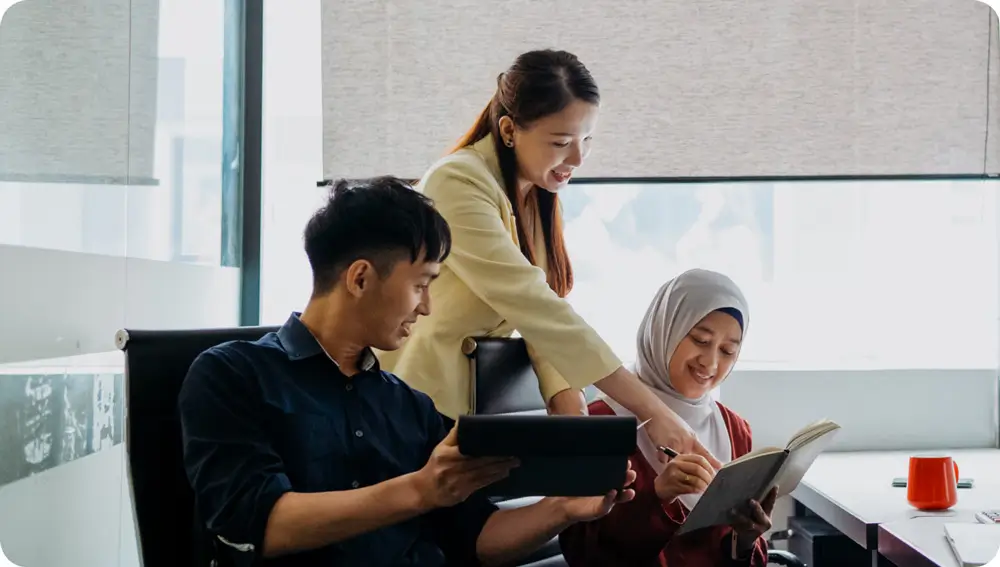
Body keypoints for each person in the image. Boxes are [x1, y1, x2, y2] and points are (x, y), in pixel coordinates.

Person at [178, 177, 637, 567]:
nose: (427, 306)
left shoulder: (407, 404)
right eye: (421, 284)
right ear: (360, 279)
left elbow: (476, 538)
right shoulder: (230, 376)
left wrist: (561, 510)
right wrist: (420, 490)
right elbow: (262, 525)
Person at [376, 48, 720, 467]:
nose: (577, 158)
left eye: (587, 140)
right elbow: (536, 306)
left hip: (468, 414)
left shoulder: (529, 194)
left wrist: (567, 406)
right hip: (412, 406)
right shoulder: (457, 184)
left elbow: (540, 317)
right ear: (508, 130)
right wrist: (654, 412)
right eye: (561, 142)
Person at [559, 268, 775, 566]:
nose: (711, 362)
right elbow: (583, 554)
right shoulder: (600, 422)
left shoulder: (734, 429)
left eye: (727, 351)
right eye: (700, 340)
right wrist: (658, 495)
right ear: (664, 330)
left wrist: (747, 539)